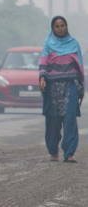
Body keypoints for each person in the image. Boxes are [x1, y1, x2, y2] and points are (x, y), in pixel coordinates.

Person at [39, 16, 84, 163]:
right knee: (52, 120)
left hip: (70, 85)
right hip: (52, 86)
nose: (60, 28)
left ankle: (69, 153)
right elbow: (44, 62)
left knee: (70, 117)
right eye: (57, 26)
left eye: (62, 25)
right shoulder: (48, 44)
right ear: (53, 28)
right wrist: (42, 77)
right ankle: (53, 151)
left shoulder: (74, 43)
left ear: (66, 26)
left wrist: (81, 86)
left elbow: (79, 65)